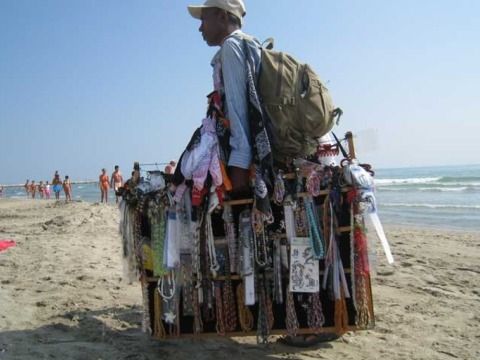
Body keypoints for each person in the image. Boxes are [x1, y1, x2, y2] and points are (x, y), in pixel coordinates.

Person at [187, 0, 259, 193]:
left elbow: (238, 112)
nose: (200, 28)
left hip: (245, 171)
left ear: (222, 16)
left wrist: (238, 172)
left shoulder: (231, 48)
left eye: (204, 19)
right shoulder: (250, 44)